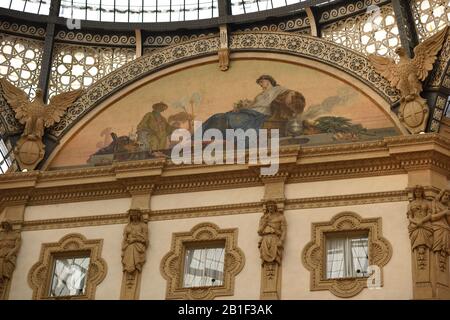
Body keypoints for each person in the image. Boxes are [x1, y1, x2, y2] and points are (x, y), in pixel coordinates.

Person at [202, 75, 305, 135]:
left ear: (267, 81)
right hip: (251, 112)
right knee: (217, 117)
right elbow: (253, 104)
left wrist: (292, 101)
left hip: (258, 115)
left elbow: (292, 95)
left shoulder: (277, 89)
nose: (261, 84)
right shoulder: (260, 94)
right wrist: (242, 106)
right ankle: (199, 137)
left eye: (261, 82)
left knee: (222, 118)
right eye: (260, 83)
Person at [121, 209, 149, 281]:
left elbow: (145, 239)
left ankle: (136, 266)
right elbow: (124, 238)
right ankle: (129, 269)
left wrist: (135, 239)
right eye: (132, 215)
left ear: (139, 216)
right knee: (130, 249)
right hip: (129, 245)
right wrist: (123, 248)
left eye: (135, 215)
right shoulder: (127, 226)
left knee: (132, 248)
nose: (134, 217)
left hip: (138, 246)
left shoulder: (143, 226)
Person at [407, 186, 433, 254]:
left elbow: (430, 214)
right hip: (414, 225)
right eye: (416, 192)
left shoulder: (427, 202)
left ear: (422, 192)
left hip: (425, 224)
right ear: (414, 193)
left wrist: (422, 221)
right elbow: (410, 217)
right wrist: (416, 222)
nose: (418, 193)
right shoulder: (410, 204)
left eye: (419, 191)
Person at [0, 220, 21, 297]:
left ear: (10, 225)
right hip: (1, 256)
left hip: (9, 258)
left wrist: (9, 254)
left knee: (4, 275)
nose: (5, 226)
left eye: (7, 225)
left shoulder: (16, 234)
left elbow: (17, 246)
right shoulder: (0, 234)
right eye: (4, 225)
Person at [431, 189, 450, 265]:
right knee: (437, 249)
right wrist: (444, 212)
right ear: (441, 195)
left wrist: (448, 215)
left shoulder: (447, 208)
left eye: (449, 196)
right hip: (437, 228)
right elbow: (432, 217)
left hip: (446, 230)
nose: (447, 197)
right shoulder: (434, 203)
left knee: (444, 250)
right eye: (445, 195)